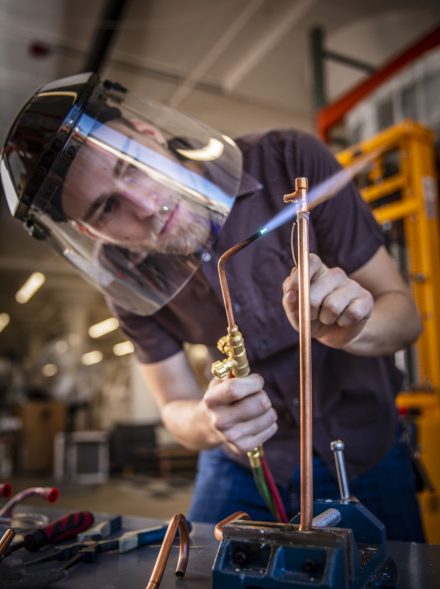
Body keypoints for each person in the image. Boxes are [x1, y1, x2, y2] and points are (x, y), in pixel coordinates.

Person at [0, 73, 425, 542]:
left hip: (365, 443)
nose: (145, 207)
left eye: (132, 166)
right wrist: (212, 420)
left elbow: (405, 318)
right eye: (106, 209)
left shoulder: (287, 160)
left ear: (151, 135)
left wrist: (356, 330)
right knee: (192, 577)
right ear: (87, 233)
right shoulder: (125, 277)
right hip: (239, 460)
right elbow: (174, 405)